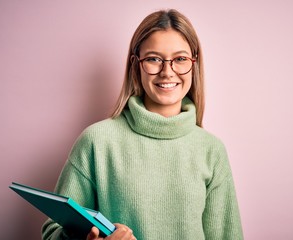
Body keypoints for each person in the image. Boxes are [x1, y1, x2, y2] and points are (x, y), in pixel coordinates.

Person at [42, 9, 243, 240]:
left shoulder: (212, 150)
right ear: (136, 64)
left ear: (194, 64)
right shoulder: (96, 141)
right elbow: (52, 233)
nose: (167, 72)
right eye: (154, 59)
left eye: (180, 59)